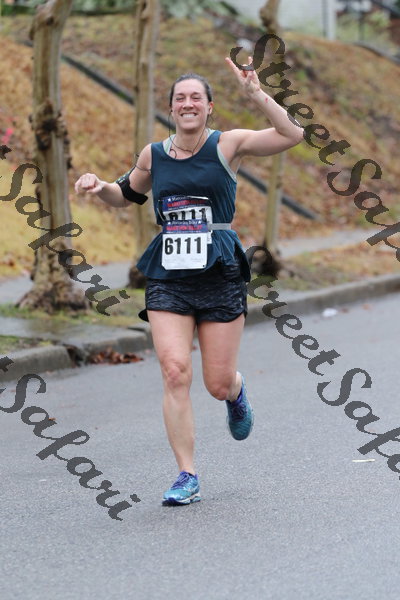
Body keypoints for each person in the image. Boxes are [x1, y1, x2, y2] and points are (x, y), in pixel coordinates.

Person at [75, 56, 304, 506]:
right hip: (169, 273)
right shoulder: (154, 155)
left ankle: (235, 392)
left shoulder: (228, 145)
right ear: (171, 108)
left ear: (209, 106)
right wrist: (100, 186)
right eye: (180, 98)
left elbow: (291, 135)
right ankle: (187, 475)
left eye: (196, 97)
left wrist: (255, 93)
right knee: (175, 370)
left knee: (216, 383)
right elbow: (125, 195)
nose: (187, 104)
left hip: (219, 269)